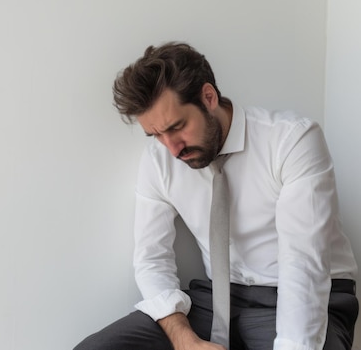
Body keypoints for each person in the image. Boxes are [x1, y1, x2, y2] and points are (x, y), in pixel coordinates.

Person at [74, 43, 358, 350]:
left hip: (300, 296)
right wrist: (185, 341)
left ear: (208, 97)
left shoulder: (291, 142)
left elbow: (305, 267)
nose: (172, 148)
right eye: (156, 134)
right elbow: (151, 259)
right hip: (214, 299)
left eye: (177, 127)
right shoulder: (159, 159)